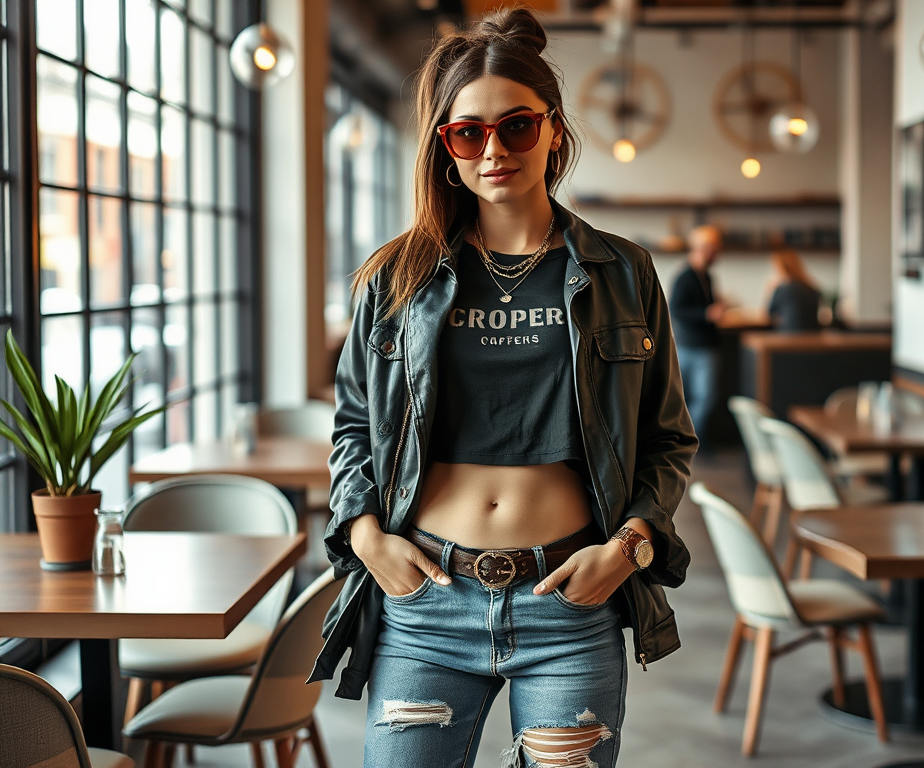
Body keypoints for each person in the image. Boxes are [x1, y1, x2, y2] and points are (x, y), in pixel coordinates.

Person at [308, 9, 697, 768]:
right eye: (468, 133)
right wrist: (362, 536)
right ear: (445, 148)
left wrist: (630, 546)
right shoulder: (395, 278)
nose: (493, 150)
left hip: (568, 603)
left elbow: (667, 438)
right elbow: (354, 425)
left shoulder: (623, 273)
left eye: (516, 127)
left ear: (554, 131)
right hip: (425, 603)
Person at [669, 225, 726, 440]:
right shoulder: (685, 277)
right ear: (704, 248)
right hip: (691, 345)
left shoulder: (707, 277)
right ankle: (689, 439)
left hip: (704, 344)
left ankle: (688, 438)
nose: (718, 255)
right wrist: (707, 313)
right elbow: (676, 309)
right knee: (700, 398)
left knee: (702, 398)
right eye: (715, 249)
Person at [765, 249, 821, 332]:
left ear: (781, 268)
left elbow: (769, 314)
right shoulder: (812, 289)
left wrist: (769, 289)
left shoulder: (782, 289)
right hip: (812, 336)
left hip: (788, 336)